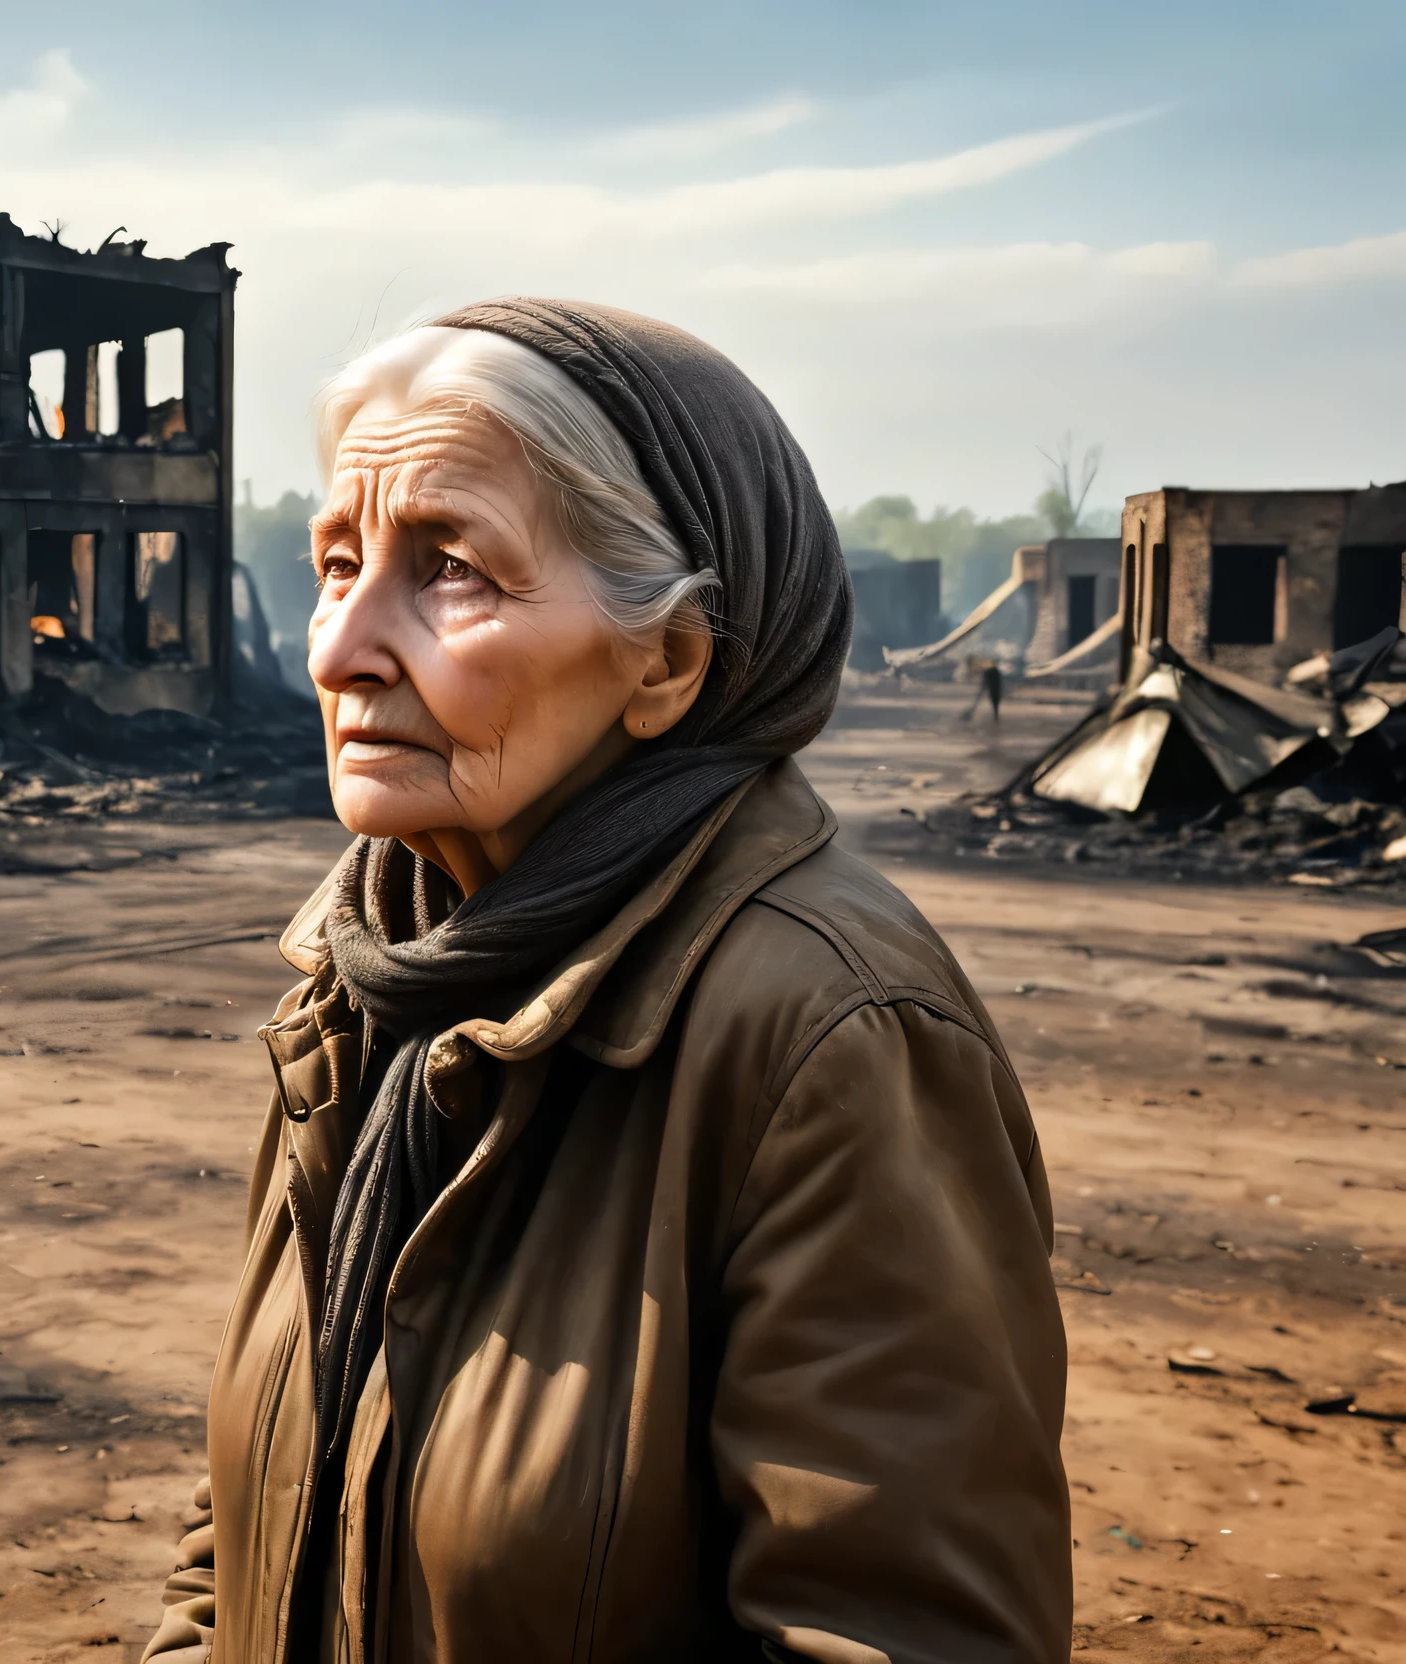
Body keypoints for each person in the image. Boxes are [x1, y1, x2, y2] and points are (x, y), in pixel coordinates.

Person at [139, 301, 1068, 1664]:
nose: (337, 649)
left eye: (448, 568)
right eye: (338, 563)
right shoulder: (365, 982)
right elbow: (250, 1532)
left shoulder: (828, 1039)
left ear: (668, 663)